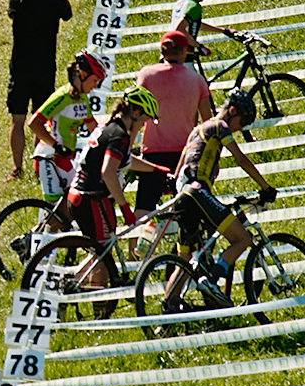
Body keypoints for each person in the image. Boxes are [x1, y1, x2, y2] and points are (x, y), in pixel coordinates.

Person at [174, 88, 276, 305]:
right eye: (242, 122)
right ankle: (212, 281)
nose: (240, 128)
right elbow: (240, 159)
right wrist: (265, 187)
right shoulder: (219, 126)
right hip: (198, 192)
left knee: (184, 261)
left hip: (183, 196)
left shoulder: (196, 131)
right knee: (242, 239)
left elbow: (178, 170)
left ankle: (169, 305)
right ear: (232, 111)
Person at [67, 88, 159, 264]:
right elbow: (108, 172)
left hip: (82, 194)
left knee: (99, 256)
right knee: (103, 260)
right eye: (144, 120)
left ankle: (82, 280)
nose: (143, 125)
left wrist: (155, 169)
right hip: (93, 198)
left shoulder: (110, 126)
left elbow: (123, 160)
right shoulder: (119, 135)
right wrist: (125, 207)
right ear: (136, 114)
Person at [134, 30, 212, 224]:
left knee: (144, 207)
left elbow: (136, 112)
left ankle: (135, 244)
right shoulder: (197, 80)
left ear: (162, 51)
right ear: (184, 51)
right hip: (185, 154)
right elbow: (208, 123)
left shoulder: (147, 75)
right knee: (189, 208)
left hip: (153, 152)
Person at [6, 0, 74, 178]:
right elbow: (67, 12)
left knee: (17, 121)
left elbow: (12, 13)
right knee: (40, 121)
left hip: (20, 69)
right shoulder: (54, 4)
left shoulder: (18, 2)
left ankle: (17, 168)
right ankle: (38, 170)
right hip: (45, 70)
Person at [26, 50, 105, 196]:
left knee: (74, 203)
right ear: (83, 75)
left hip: (67, 159)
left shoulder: (83, 99)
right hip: (49, 156)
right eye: (96, 80)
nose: (96, 86)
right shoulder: (62, 96)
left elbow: (94, 128)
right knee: (55, 205)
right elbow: (34, 123)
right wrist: (56, 145)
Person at [171, 0, 238, 56]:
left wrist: (224, 31)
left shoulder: (181, 2)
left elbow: (195, 24)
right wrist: (199, 46)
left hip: (170, 51)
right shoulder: (194, 6)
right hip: (181, 55)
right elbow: (179, 29)